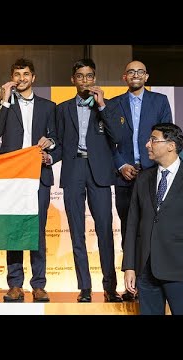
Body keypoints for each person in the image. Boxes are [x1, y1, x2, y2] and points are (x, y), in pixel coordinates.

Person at [54, 59, 123, 303]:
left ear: (95, 78)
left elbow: (119, 137)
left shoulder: (109, 106)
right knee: (77, 233)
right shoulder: (61, 109)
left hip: (100, 173)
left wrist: (102, 106)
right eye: (80, 76)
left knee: (105, 231)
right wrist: (43, 158)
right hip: (74, 171)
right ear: (73, 80)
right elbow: (59, 144)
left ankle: (110, 287)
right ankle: (84, 287)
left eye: (89, 76)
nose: (85, 80)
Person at [0, 58, 58, 303]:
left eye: (25, 74)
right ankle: (15, 284)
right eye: (17, 74)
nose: (21, 78)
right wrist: (4, 101)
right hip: (13, 176)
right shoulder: (6, 105)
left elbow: (56, 139)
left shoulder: (49, 106)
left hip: (39, 176)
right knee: (13, 230)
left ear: (34, 77)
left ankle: (39, 285)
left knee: (37, 231)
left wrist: (49, 149)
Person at [110, 60, 172, 301]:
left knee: (154, 228)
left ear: (146, 77)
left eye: (140, 71)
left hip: (153, 174)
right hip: (125, 175)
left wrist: (155, 165)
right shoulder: (114, 104)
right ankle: (131, 285)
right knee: (129, 229)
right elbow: (108, 141)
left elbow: (168, 134)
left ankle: (156, 281)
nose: (135, 75)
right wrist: (121, 164)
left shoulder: (160, 101)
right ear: (124, 77)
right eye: (131, 72)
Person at [123, 123, 183, 315]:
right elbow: (133, 224)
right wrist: (129, 266)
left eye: (153, 139)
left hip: (180, 270)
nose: (147, 144)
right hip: (145, 269)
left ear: (171, 145)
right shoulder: (143, 178)